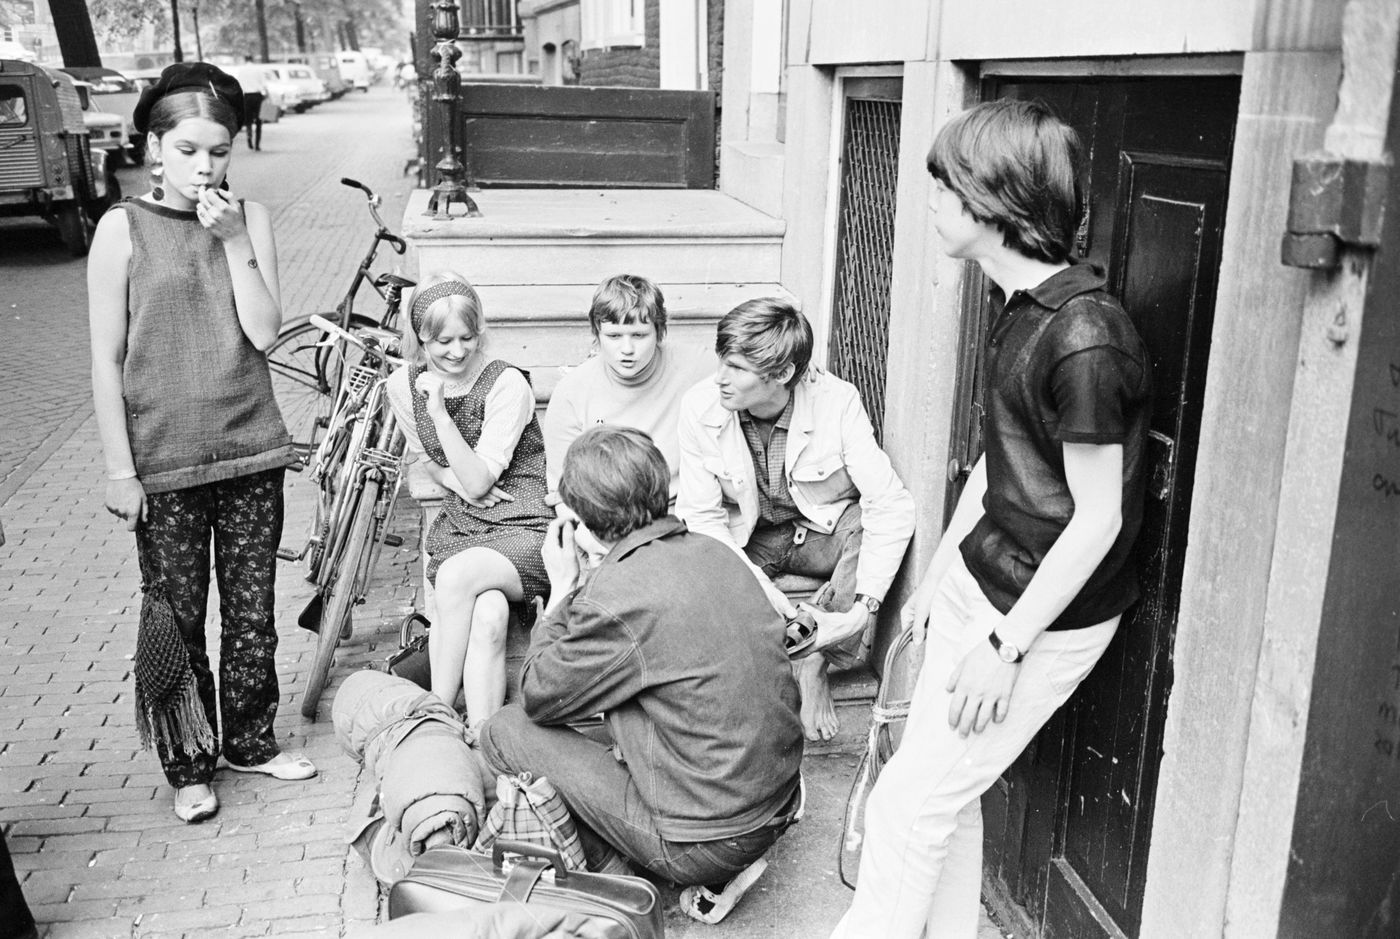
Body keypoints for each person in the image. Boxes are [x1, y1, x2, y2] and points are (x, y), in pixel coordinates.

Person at [830, 99, 1151, 938]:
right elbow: (1000, 462)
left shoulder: (1086, 338)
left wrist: (1008, 647)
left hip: (1040, 616)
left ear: (994, 201)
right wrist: (935, 582)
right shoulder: (1019, 304)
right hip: (983, 581)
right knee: (947, 800)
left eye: (945, 187)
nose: (931, 202)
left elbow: (1096, 521)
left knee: (906, 808)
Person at [88, 62, 316, 826]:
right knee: (178, 618)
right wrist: (120, 468)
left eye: (218, 151)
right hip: (164, 461)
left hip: (251, 447)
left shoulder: (246, 219)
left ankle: (249, 739)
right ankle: (189, 761)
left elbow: (263, 330)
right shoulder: (121, 227)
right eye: (187, 149)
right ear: (154, 148)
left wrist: (231, 242)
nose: (204, 166)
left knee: (252, 614)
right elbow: (105, 357)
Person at [479, 426, 804, 923]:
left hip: (706, 841)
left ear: (585, 524)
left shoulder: (616, 595)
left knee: (504, 731)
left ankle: (624, 866)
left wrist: (564, 589)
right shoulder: (714, 550)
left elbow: (537, 694)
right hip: (778, 797)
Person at [675, 299, 915, 742]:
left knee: (867, 521)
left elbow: (892, 505)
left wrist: (862, 610)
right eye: (721, 363)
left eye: (737, 368)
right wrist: (759, 586)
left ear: (783, 373)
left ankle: (818, 656)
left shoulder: (836, 402)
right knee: (691, 558)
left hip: (820, 533)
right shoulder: (700, 406)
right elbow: (702, 518)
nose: (719, 379)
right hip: (749, 541)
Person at [385, 272, 552, 727]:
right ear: (421, 338)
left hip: (524, 523)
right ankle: (482, 734)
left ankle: (435, 711)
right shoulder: (402, 387)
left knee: (456, 579)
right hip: (464, 525)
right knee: (490, 614)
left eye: (467, 337)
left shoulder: (506, 384)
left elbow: (481, 482)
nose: (457, 352)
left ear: (481, 332)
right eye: (443, 342)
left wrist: (439, 413)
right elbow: (428, 462)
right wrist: (459, 483)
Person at [542, 273, 710, 504]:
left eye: (639, 335)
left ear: (659, 332)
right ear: (597, 333)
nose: (627, 349)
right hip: (606, 520)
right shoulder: (571, 393)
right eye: (614, 336)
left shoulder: (698, 366)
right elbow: (564, 497)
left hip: (683, 512)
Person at [234, 60, 266, 150]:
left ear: (245, 60)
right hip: (257, 96)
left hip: (247, 97)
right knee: (259, 121)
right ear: (253, 60)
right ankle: (257, 144)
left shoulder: (242, 70)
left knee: (248, 120)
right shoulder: (258, 69)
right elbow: (264, 84)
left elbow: (239, 85)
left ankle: (249, 137)